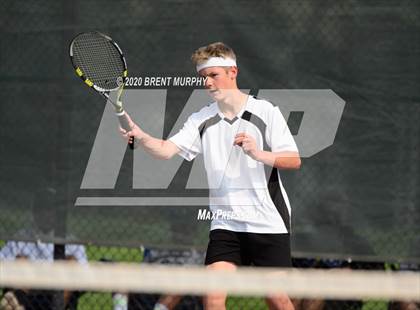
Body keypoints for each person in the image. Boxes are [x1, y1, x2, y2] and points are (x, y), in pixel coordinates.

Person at [120, 42, 301, 310]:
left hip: (268, 220)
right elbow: (166, 151)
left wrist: (258, 153)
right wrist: (142, 136)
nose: (207, 82)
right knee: (213, 295)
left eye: (213, 75)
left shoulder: (266, 112)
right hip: (225, 223)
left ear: (233, 72)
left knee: (276, 298)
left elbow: (293, 160)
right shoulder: (201, 119)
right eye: (203, 77)